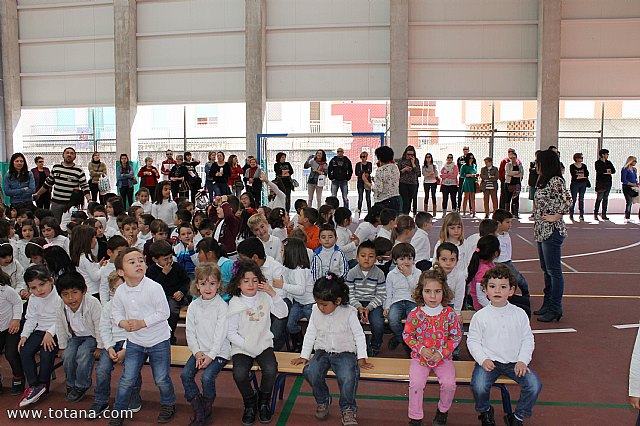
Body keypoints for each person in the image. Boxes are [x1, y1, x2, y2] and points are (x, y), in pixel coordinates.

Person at [290, 273, 372, 425]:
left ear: (338, 301)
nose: (320, 307)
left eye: (324, 304)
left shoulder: (349, 312)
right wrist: (304, 355)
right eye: (318, 303)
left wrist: (362, 357)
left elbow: (359, 335)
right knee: (310, 371)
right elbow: (310, 333)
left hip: (345, 352)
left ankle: (347, 408)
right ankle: (323, 399)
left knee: (348, 376)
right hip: (322, 351)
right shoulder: (315, 310)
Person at [468, 264, 542, 426]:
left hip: (514, 363)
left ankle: (517, 417)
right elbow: (473, 341)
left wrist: (523, 360)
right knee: (479, 386)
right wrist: (483, 359)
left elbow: (527, 339)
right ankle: (485, 410)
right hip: (489, 362)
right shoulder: (481, 316)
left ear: (511, 290)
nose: (497, 291)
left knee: (534, 385)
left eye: (503, 287)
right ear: (485, 290)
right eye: (492, 286)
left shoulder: (519, 314)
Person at [110, 248, 176, 425]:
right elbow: (115, 312)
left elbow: (164, 313)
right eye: (132, 262)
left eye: (140, 260)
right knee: (127, 379)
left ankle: (168, 403)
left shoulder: (154, 287)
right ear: (121, 272)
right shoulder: (121, 291)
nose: (138, 264)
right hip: (135, 342)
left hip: (158, 340)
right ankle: (119, 410)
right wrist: (123, 323)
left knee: (161, 378)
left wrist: (142, 323)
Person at [226, 259, 288, 425]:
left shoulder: (265, 297)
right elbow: (231, 333)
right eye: (246, 281)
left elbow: (282, 313)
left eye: (254, 280)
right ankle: (250, 403)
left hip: (263, 343)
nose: (251, 284)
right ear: (238, 283)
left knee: (270, 369)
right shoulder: (234, 303)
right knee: (239, 373)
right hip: (242, 346)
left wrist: (272, 292)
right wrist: (247, 346)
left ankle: (264, 401)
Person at [404, 268, 461, 426]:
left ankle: (442, 411)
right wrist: (421, 349)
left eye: (437, 291)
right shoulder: (415, 314)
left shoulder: (449, 313)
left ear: (444, 291)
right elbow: (408, 335)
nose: (433, 296)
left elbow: (455, 336)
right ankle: (415, 417)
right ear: (420, 292)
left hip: (443, 359)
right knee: (416, 384)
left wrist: (442, 353)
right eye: (428, 291)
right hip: (420, 358)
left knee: (449, 384)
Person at [181, 263, 230, 426]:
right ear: (197, 285)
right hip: (200, 351)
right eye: (203, 283)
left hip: (219, 352)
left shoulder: (222, 306)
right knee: (185, 375)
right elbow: (190, 332)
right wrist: (197, 352)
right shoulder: (194, 306)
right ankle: (199, 408)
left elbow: (220, 335)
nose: (208, 288)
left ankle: (207, 406)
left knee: (207, 377)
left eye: (212, 283)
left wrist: (210, 356)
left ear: (219, 285)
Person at [90, 271, 142, 417]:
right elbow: (104, 328)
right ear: (112, 291)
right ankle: (101, 401)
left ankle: (133, 397)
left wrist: (125, 350)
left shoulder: (135, 306)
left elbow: (135, 331)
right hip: (112, 343)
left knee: (131, 370)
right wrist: (109, 347)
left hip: (132, 343)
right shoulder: (108, 307)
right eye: (116, 289)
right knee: (102, 369)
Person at [533, 150, 571, 323]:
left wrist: (557, 215)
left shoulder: (556, 181)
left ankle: (555, 307)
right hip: (541, 230)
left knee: (553, 271)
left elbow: (567, 199)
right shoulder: (543, 180)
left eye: (538, 162)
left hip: (552, 230)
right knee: (546, 270)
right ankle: (548, 304)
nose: (536, 165)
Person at [55, 271, 102, 403]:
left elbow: (99, 326)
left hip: (92, 336)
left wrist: (100, 346)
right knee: (67, 355)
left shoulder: (93, 303)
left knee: (83, 354)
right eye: (65, 294)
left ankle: (82, 385)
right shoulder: (60, 305)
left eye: (74, 293)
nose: (70, 298)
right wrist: (62, 346)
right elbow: (59, 325)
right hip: (75, 336)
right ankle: (71, 383)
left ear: (84, 291)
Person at [18, 265, 61, 407]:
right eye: (33, 288)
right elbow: (31, 319)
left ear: (51, 280)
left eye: (42, 285)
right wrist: (24, 335)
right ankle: (34, 386)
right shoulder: (34, 299)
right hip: (40, 330)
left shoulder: (59, 296)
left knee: (46, 353)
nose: (38, 290)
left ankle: (43, 384)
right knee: (24, 350)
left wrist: (50, 333)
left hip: (57, 331)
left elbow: (62, 319)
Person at [346, 240, 386, 357]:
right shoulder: (352, 273)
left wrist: (368, 308)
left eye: (371, 256)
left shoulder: (379, 273)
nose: (366, 259)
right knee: (349, 321)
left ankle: (375, 345)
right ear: (357, 258)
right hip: (355, 303)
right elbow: (349, 294)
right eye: (363, 256)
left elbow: (381, 295)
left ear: (376, 258)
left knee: (378, 323)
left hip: (373, 303)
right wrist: (358, 307)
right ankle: (353, 345)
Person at [33, 148, 91, 223]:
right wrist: (38, 194)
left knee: (71, 225)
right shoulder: (56, 168)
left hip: (71, 205)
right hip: (56, 203)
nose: (69, 155)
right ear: (63, 155)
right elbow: (47, 184)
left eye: (72, 153)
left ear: (75, 157)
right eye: (67, 153)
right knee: (55, 224)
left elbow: (84, 186)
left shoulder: (79, 170)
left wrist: (89, 200)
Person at [384, 243, 421, 356]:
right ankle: (406, 342)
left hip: (412, 301)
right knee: (393, 320)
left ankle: (398, 338)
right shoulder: (391, 275)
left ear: (413, 259)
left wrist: (409, 275)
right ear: (395, 261)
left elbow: (417, 290)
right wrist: (387, 307)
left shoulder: (418, 273)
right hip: (397, 301)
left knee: (414, 321)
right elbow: (388, 293)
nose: (406, 262)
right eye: (402, 259)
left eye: (409, 258)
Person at [0, 270, 24, 396]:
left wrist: (16, 320)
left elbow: (17, 302)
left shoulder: (6, 290)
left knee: (11, 353)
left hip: (10, 327)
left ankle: (18, 377)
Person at [366, 146, 400, 212]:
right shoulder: (395, 167)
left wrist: (367, 183)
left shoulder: (380, 170)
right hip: (395, 199)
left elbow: (378, 189)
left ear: (380, 157)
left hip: (383, 201)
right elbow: (388, 180)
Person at [397, 146, 421, 215]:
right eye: (408, 155)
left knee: (410, 200)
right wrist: (404, 170)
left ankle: (407, 214)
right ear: (405, 154)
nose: (410, 156)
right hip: (403, 182)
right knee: (405, 200)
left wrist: (413, 164)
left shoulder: (416, 161)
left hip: (413, 183)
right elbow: (397, 173)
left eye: (412, 155)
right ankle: (405, 214)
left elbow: (418, 173)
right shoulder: (401, 160)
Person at [593, 148, 616, 221]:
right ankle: (596, 213)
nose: (607, 155)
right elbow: (600, 171)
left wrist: (607, 171)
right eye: (606, 154)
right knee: (599, 198)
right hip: (601, 182)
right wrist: (606, 170)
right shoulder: (597, 162)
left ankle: (604, 214)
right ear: (602, 155)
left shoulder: (609, 162)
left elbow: (613, 170)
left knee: (605, 198)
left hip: (608, 182)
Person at [569, 153, 590, 221]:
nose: (581, 159)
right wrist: (580, 176)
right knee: (573, 199)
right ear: (576, 158)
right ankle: (571, 213)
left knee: (581, 199)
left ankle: (581, 214)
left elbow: (586, 174)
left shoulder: (584, 166)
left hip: (583, 183)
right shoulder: (572, 166)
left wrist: (580, 176)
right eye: (580, 158)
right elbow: (574, 175)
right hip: (575, 183)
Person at [504, 151, 524, 219]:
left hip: (517, 184)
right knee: (507, 199)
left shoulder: (519, 165)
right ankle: (507, 214)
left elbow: (521, 174)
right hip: (509, 183)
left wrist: (515, 174)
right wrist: (516, 173)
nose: (513, 159)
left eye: (514, 157)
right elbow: (508, 172)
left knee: (516, 199)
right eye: (511, 158)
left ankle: (515, 213)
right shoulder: (508, 165)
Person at [460, 152, 478, 217]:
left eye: (472, 158)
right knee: (466, 197)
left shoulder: (474, 165)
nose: (471, 159)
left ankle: (473, 212)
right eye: (470, 158)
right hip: (467, 182)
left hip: (473, 182)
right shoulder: (464, 166)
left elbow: (475, 172)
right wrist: (467, 175)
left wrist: (475, 175)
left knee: (473, 198)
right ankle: (464, 212)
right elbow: (461, 175)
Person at [621, 156, 639, 221]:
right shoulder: (625, 169)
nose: (635, 162)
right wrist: (631, 184)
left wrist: (636, 184)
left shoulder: (634, 169)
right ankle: (627, 216)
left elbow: (635, 178)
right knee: (629, 201)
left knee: (633, 200)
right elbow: (623, 180)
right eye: (634, 161)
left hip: (634, 187)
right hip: (627, 187)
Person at [422, 153, 439, 217]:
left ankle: (434, 212)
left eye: (429, 157)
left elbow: (436, 174)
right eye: (427, 157)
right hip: (426, 182)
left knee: (433, 196)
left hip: (433, 182)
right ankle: (425, 211)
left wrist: (430, 174)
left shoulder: (434, 166)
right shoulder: (424, 166)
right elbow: (424, 173)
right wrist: (430, 174)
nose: (428, 158)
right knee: (426, 196)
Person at [528, 151, 540, 220]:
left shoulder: (543, 164)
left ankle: (539, 212)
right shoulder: (532, 163)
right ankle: (534, 212)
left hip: (540, 184)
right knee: (534, 199)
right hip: (533, 183)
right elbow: (533, 171)